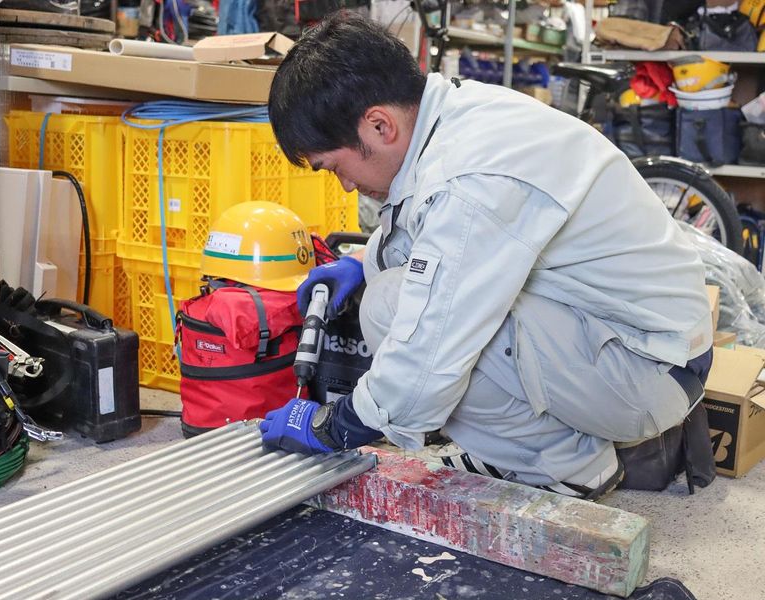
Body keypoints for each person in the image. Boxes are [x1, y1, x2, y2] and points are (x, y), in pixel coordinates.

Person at [258, 11, 714, 500]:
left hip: (647, 370)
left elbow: (429, 348)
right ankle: (529, 449)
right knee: (399, 292)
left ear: (378, 124)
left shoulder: (471, 176)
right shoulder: (453, 116)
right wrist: (361, 262)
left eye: (334, 167)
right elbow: (439, 227)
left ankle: (563, 465)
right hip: (641, 341)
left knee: (397, 310)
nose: (346, 185)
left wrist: (334, 426)